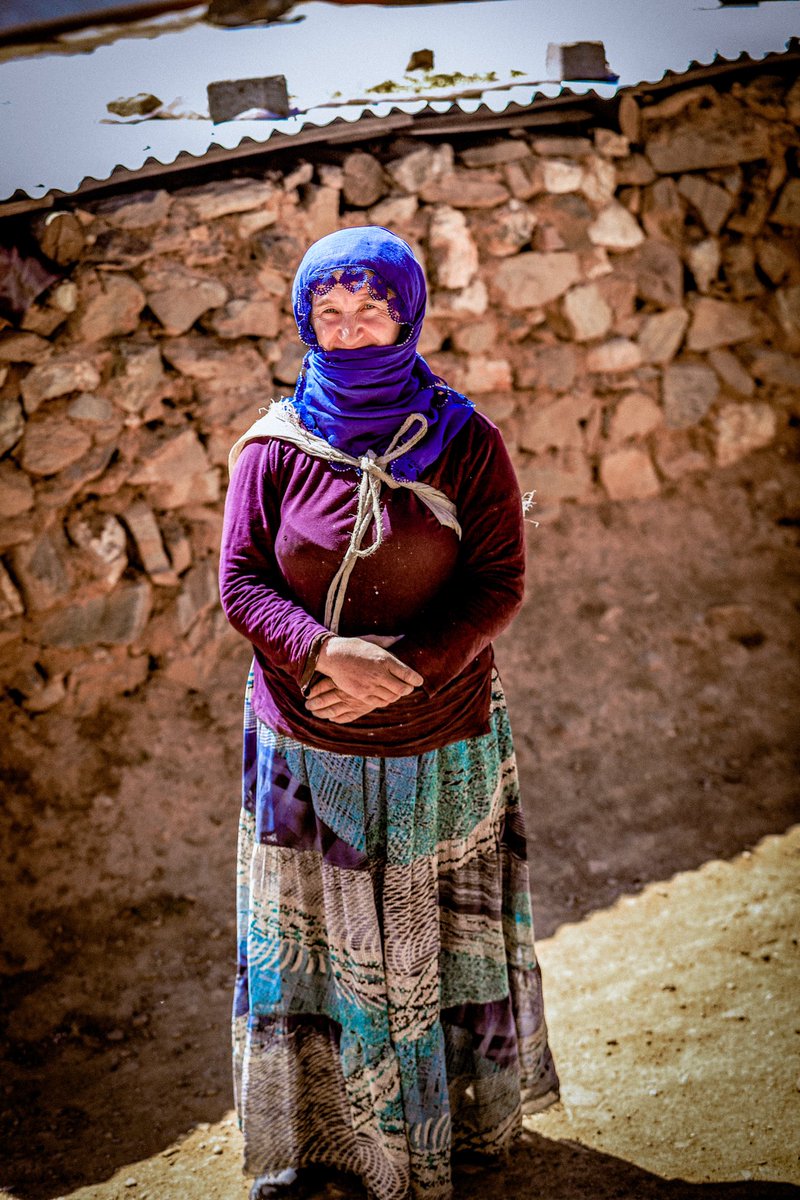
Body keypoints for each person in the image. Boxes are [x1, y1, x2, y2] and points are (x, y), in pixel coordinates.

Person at [219, 226, 559, 1200]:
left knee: (428, 947)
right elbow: (240, 583)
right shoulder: (274, 448)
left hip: (434, 740)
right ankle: (319, 1147)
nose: (353, 329)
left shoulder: (465, 440)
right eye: (330, 312)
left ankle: (449, 1138)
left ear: (408, 314)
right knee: (317, 951)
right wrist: (327, 653)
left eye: (372, 309)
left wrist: (405, 668)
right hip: (303, 749)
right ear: (303, 320)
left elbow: (497, 583)